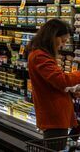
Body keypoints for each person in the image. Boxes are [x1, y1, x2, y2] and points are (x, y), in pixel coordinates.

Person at [28, 19, 80, 150]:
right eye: (62, 41)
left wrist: (70, 90)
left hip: (56, 112)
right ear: (52, 36)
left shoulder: (42, 54)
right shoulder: (40, 56)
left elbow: (53, 83)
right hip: (53, 115)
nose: (62, 45)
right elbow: (61, 80)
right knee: (55, 148)